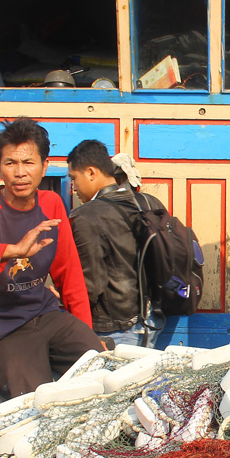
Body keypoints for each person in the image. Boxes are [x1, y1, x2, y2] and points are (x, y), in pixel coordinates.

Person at [0, 117, 102, 399]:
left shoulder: (52, 203)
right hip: (1, 330)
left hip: (46, 315)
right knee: (37, 403)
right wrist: (12, 251)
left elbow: (68, 272)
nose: (20, 173)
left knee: (104, 370)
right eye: (10, 163)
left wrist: (86, 333)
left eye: (29, 162)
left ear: (44, 166)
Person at [67, 139, 163, 347]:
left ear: (91, 173)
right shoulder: (149, 202)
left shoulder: (86, 216)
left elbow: (90, 283)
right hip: (152, 319)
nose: (73, 186)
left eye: (74, 178)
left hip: (116, 328)